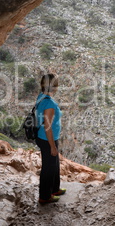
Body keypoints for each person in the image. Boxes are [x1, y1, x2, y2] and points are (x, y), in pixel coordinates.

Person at [35, 73, 66, 204]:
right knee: (48, 167)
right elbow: (48, 126)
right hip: (47, 138)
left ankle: (54, 189)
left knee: (54, 164)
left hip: (45, 136)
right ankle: (45, 196)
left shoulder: (41, 97)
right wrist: (52, 145)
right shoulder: (49, 103)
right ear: (54, 87)